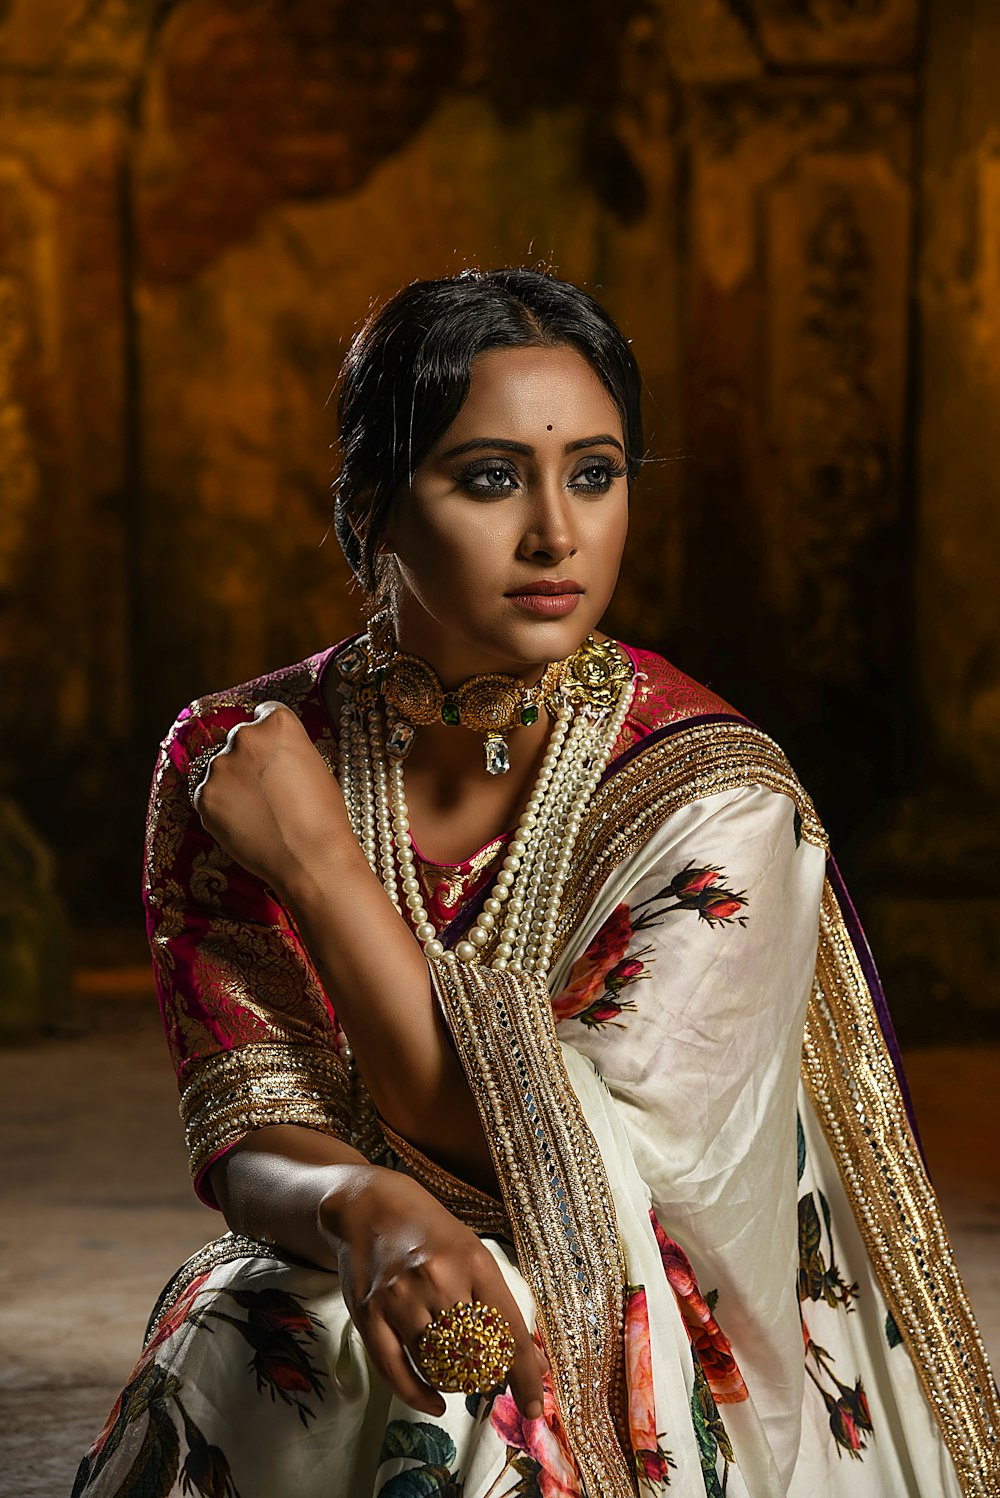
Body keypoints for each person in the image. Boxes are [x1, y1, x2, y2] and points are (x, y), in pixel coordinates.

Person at [74, 269, 997, 1498]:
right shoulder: (241, 760)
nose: (557, 533)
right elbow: (247, 1109)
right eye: (492, 477)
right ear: (374, 509)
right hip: (348, 1245)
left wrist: (322, 869)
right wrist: (365, 1207)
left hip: (650, 1288)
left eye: (596, 474)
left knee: (477, 1393)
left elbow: (546, 1160)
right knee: (256, 1324)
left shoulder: (713, 794)